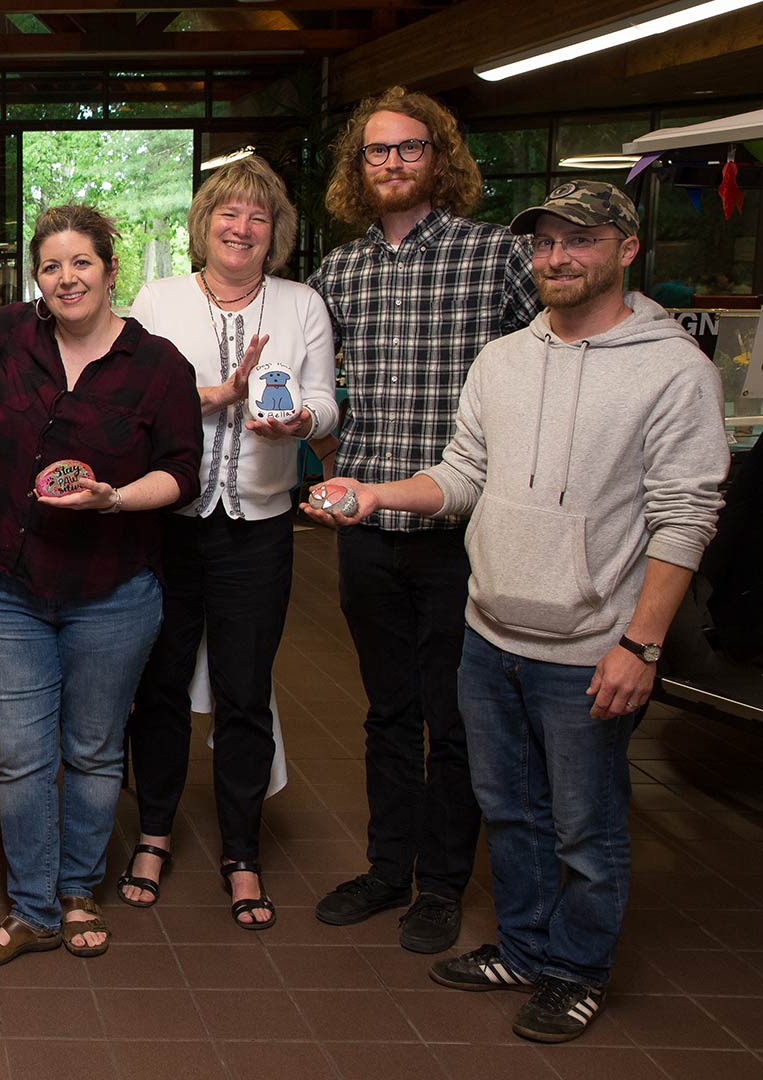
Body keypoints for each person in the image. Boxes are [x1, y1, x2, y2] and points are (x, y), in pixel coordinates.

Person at [305, 181, 728, 1042]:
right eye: (543, 243)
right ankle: (526, 947)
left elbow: (686, 515)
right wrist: (369, 493)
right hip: (488, 631)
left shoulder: (672, 367)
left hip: (589, 644)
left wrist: (640, 645)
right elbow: (460, 476)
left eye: (579, 240)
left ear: (625, 249)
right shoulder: (502, 358)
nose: (557, 257)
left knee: (585, 823)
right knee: (510, 810)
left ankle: (576, 969)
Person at [305, 85, 539, 953]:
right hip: (368, 534)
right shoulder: (339, 272)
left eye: (409, 148)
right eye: (377, 151)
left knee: (456, 717)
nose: (393, 162)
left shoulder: (497, 259)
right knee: (386, 713)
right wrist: (331, 472)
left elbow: (540, 378)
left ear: (438, 158)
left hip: (462, 536)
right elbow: (329, 399)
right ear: (357, 169)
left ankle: (439, 886)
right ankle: (384, 868)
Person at [0, 205, 201, 968]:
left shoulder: (157, 365)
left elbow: (184, 474)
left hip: (114, 591)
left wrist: (115, 498)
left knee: (93, 753)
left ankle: (76, 890)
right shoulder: (2, 339)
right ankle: (31, 910)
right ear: (37, 276)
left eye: (80, 263)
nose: (65, 278)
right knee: (24, 757)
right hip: (8, 588)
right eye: (51, 266)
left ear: (109, 270)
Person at [123, 155, 338, 928]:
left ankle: (241, 851)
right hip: (170, 525)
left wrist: (300, 422)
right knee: (162, 688)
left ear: (272, 231)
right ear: (202, 224)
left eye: (257, 216)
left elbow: (324, 403)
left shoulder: (300, 304)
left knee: (246, 694)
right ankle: (151, 834)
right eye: (227, 213)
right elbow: (136, 401)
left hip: (259, 528)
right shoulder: (159, 299)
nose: (241, 227)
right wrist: (213, 396)